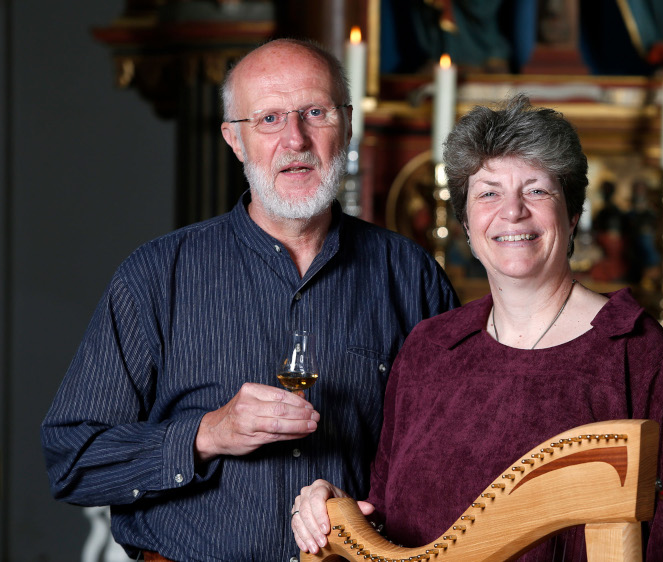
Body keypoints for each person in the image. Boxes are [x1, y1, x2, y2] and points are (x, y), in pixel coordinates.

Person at [41, 39, 458, 561]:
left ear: (347, 125)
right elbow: (72, 460)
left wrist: (357, 505)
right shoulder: (155, 276)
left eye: (314, 112)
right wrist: (206, 434)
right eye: (268, 119)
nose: (295, 139)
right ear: (234, 140)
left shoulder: (411, 275)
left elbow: (451, 460)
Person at [291, 95, 663, 560]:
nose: (512, 212)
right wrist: (334, 513)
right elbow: (390, 527)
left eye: (537, 190)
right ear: (467, 224)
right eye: (488, 193)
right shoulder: (431, 349)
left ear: (572, 215)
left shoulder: (638, 355)